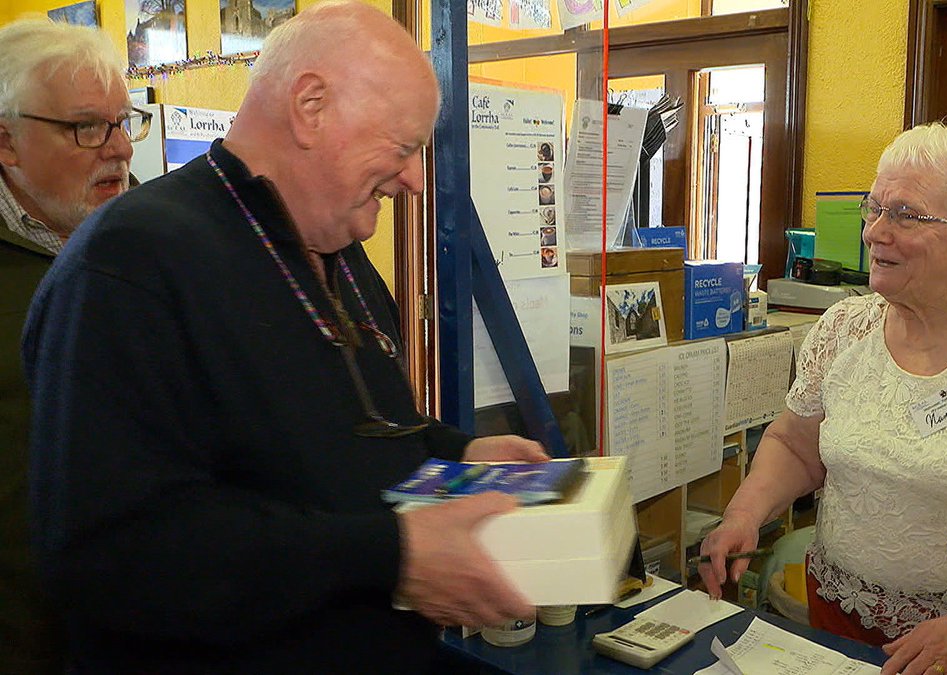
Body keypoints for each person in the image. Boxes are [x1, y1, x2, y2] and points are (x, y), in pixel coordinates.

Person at [22, 2, 547, 671]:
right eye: (404, 146)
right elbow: (113, 552)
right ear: (310, 105)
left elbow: (360, 429)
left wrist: (462, 451)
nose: (416, 180)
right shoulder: (129, 263)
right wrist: (395, 554)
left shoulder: (340, 248)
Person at [699, 122, 947, 675]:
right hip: (837, 614)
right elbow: (795, 446)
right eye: (875, 207)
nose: (874, 232)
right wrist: (744, 514)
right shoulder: (843, 327)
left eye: (905, 215)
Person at [0, 18, 145, 674]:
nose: (118, 149)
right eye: (87, 127)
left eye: (123, 121)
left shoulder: (161, 243)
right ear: (7, 141)